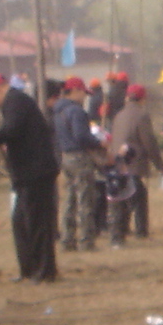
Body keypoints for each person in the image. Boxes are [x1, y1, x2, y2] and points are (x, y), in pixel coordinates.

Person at [0, 71, 59, 282]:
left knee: (36, 222)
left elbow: (12, 131)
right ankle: (28, 268)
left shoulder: (16, 101)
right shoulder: (13, 103)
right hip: (26, 172)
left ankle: (44, 271)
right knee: (21, 221)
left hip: (36, 171)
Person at [53, 77, 105, 253]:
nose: (85, 97)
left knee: (69, 200)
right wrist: (99, 143)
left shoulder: (58, 111)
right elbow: (82, 137)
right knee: (85, 199)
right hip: (80, 158)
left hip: (65, 157)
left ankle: (67, 239)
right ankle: (86, 240)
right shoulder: (76, 112)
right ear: (75, 91)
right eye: (83, 92)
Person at [109, 83, 163, 245]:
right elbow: (149, 142)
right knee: (139, 198)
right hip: (133, 162)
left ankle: (121, 232)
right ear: (142, 99)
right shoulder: (141, 115)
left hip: (118, 162)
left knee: (124, 198)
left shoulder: (118, 115)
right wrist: (159, 164)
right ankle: (141, 231)